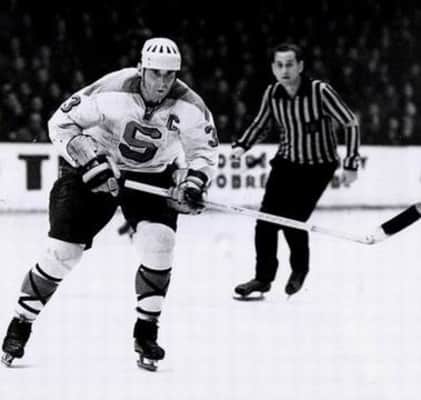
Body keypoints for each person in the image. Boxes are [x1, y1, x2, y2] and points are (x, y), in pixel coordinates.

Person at [1, 37, 218, 371]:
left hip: (153, 176)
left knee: (160, 244)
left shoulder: (191, 106)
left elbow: (204, 151)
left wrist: (193, 181)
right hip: (97, 169)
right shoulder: (110, 90)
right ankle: (20, 324)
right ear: (141, 68)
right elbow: (60, 123)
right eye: (155, 73)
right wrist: (89, 158)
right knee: (62, 253)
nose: (162, 83)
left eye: (170, 75)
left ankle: (146, 333)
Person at [232, 43, 360, 299]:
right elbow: (260, 124)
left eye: (290, 64)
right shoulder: (272, 93)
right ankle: (262, 278)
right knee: (265, 222)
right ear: (273, 68)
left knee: (292, 219)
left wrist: (351, 163)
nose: (285, 70)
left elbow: (350, 122)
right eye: (279, 65)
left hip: (318, 167)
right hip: (287, 163)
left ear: (300, 66)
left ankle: (299, 270)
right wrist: (241, 146)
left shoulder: (319, 91)